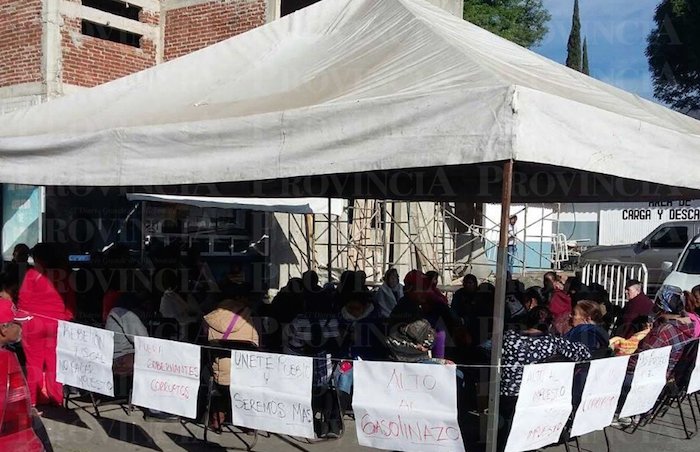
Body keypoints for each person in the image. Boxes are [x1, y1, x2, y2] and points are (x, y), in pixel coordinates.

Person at [499, 306, 590, 451]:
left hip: (508, 397)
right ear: (548, 325)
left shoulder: (507, 339)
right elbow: (584, 353)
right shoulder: (552, 343)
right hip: (539, 398)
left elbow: (482, 350)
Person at [18, 243, 75, 407]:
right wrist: (66, 319)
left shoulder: (32, 274)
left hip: (33, 324)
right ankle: (56, 399)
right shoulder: (64, 275)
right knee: (54, 363)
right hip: (57, 325)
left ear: (38, 259)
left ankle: (32, 402)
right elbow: (71, 302)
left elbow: (23, 301)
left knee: (33, 364)